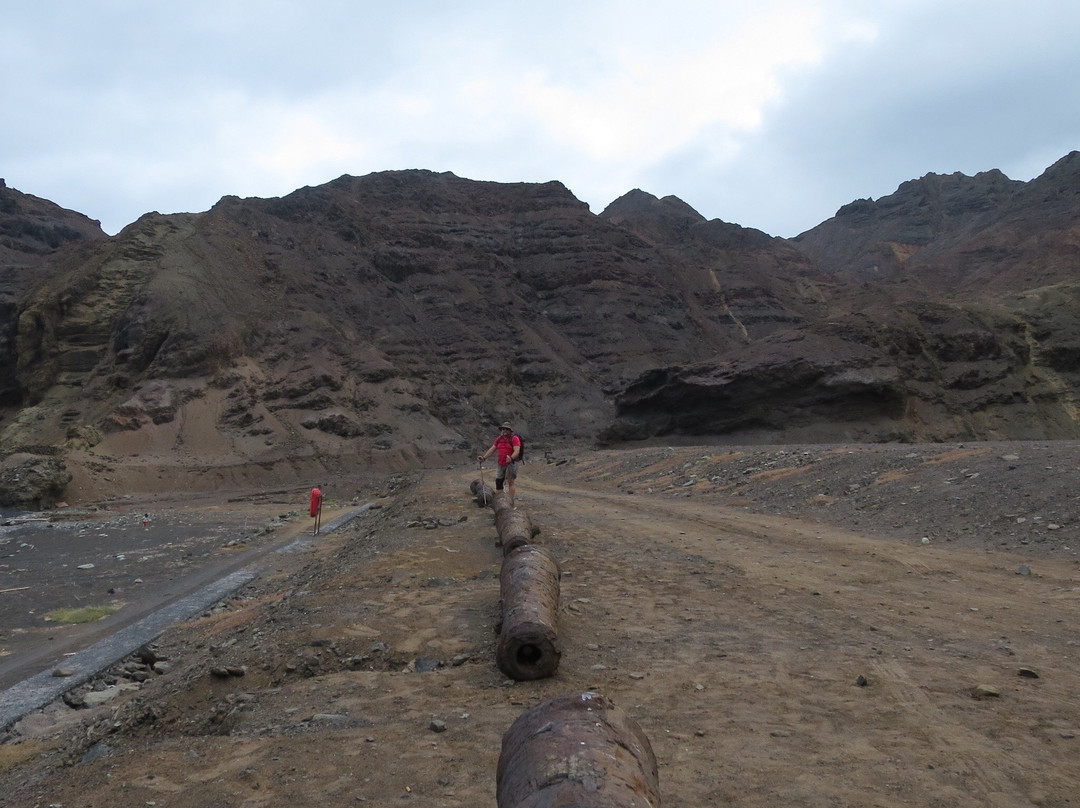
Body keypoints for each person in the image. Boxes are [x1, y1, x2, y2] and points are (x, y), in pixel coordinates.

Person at [478, 421, 521, 505]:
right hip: (501, 463)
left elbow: (517, 450)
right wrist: (484, 458)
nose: (504, 430)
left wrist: (511, 458)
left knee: (510, 481)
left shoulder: (514, 439)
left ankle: (510, 501)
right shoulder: (499, 439)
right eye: (503, 429)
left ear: (510, 431)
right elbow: (492, 449)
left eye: (506, 429)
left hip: (511, 464)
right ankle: (500, 501)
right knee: (499, 481)